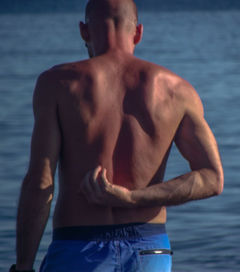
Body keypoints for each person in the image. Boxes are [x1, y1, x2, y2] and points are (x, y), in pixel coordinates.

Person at [12, 0, 224, 271]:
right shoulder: (177, 90)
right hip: (150, 251)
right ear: (138, 33)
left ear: (83, 32)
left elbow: (39, 183)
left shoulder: (57, 84)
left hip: (79, 250)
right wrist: (134, 198)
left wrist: (23, 265)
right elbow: (212, 178)